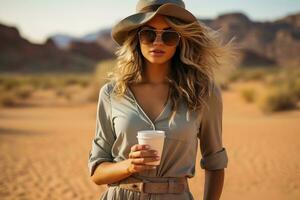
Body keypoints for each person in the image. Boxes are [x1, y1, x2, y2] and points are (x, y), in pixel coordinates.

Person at [88, 0, 236, 199]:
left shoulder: (204, 92)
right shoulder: (112, 93)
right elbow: (97, 172)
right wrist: (129, 165)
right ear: (136, 38)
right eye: (148, 34)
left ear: (181, 40)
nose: (158, 42)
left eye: (169, 35)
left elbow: (215, 162)